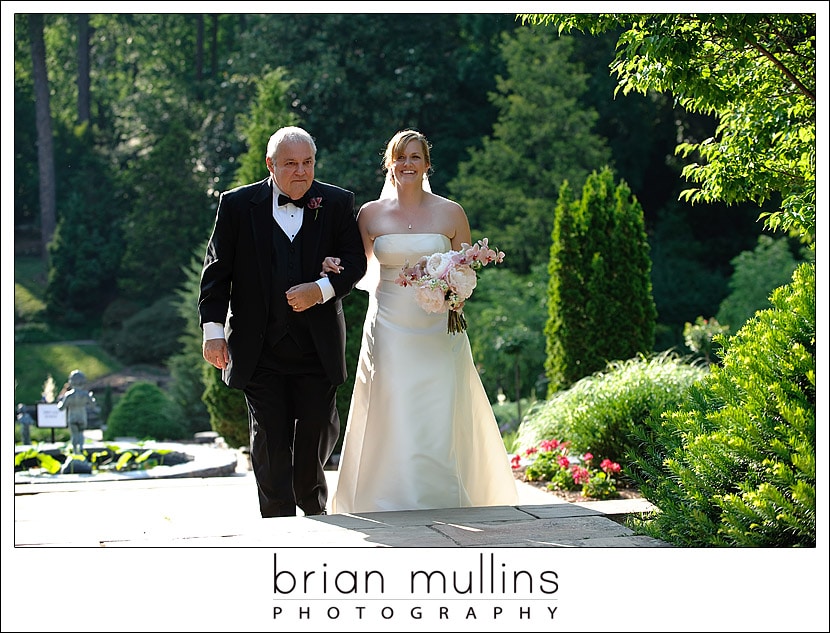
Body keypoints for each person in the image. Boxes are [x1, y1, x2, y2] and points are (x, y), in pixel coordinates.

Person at [330, 130, 518, 513]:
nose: (408, 164)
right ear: (390, 165)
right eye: (400, 158)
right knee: (392, 400)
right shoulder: (369, 214)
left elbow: (468, 270)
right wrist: (331, 264)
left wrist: (453, 292)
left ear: (427, 164)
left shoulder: (451, 212)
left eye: (415, 157)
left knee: (438, 404)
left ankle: (441, 494)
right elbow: (356, 265)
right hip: (387, 324)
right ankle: (388, 495)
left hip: (437, 326)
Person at [198, 126, 367, 518]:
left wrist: (321, 289)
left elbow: (355, 263)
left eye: (307, 162)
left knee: (315, 433)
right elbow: (216, 273)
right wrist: (213, 334)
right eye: (291, 164)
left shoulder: (338, 202)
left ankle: (313, 506)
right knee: (271, 440)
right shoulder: (238, 205)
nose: (301, 171)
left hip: (316, 346)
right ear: (270, 164)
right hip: (259, 349)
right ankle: (277, 523)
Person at [56, 370, 96, 454]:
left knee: (74, 434)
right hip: (82, 416)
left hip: (72, 417)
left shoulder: (69, 395)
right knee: (81, 433)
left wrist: (59, 402)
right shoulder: (85, 394)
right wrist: (92, 399)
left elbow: (61, 408)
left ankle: (75, 451)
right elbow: (93, 405)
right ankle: (81, 448)